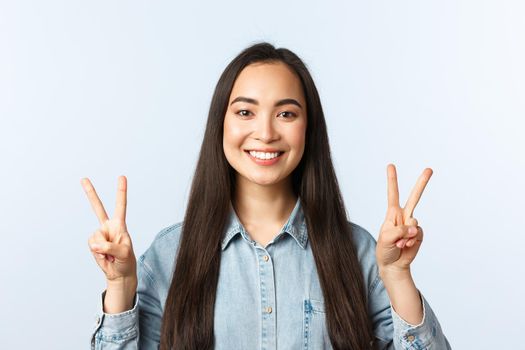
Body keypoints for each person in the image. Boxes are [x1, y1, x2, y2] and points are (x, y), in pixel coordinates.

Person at [82, 42, 451, 350]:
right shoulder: (168, 256)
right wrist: (120, 287)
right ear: (220, 124)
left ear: (309, 128)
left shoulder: (358, 253)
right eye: (245, 111)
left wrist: (398, 275)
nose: (265, 132)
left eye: (286, 114)